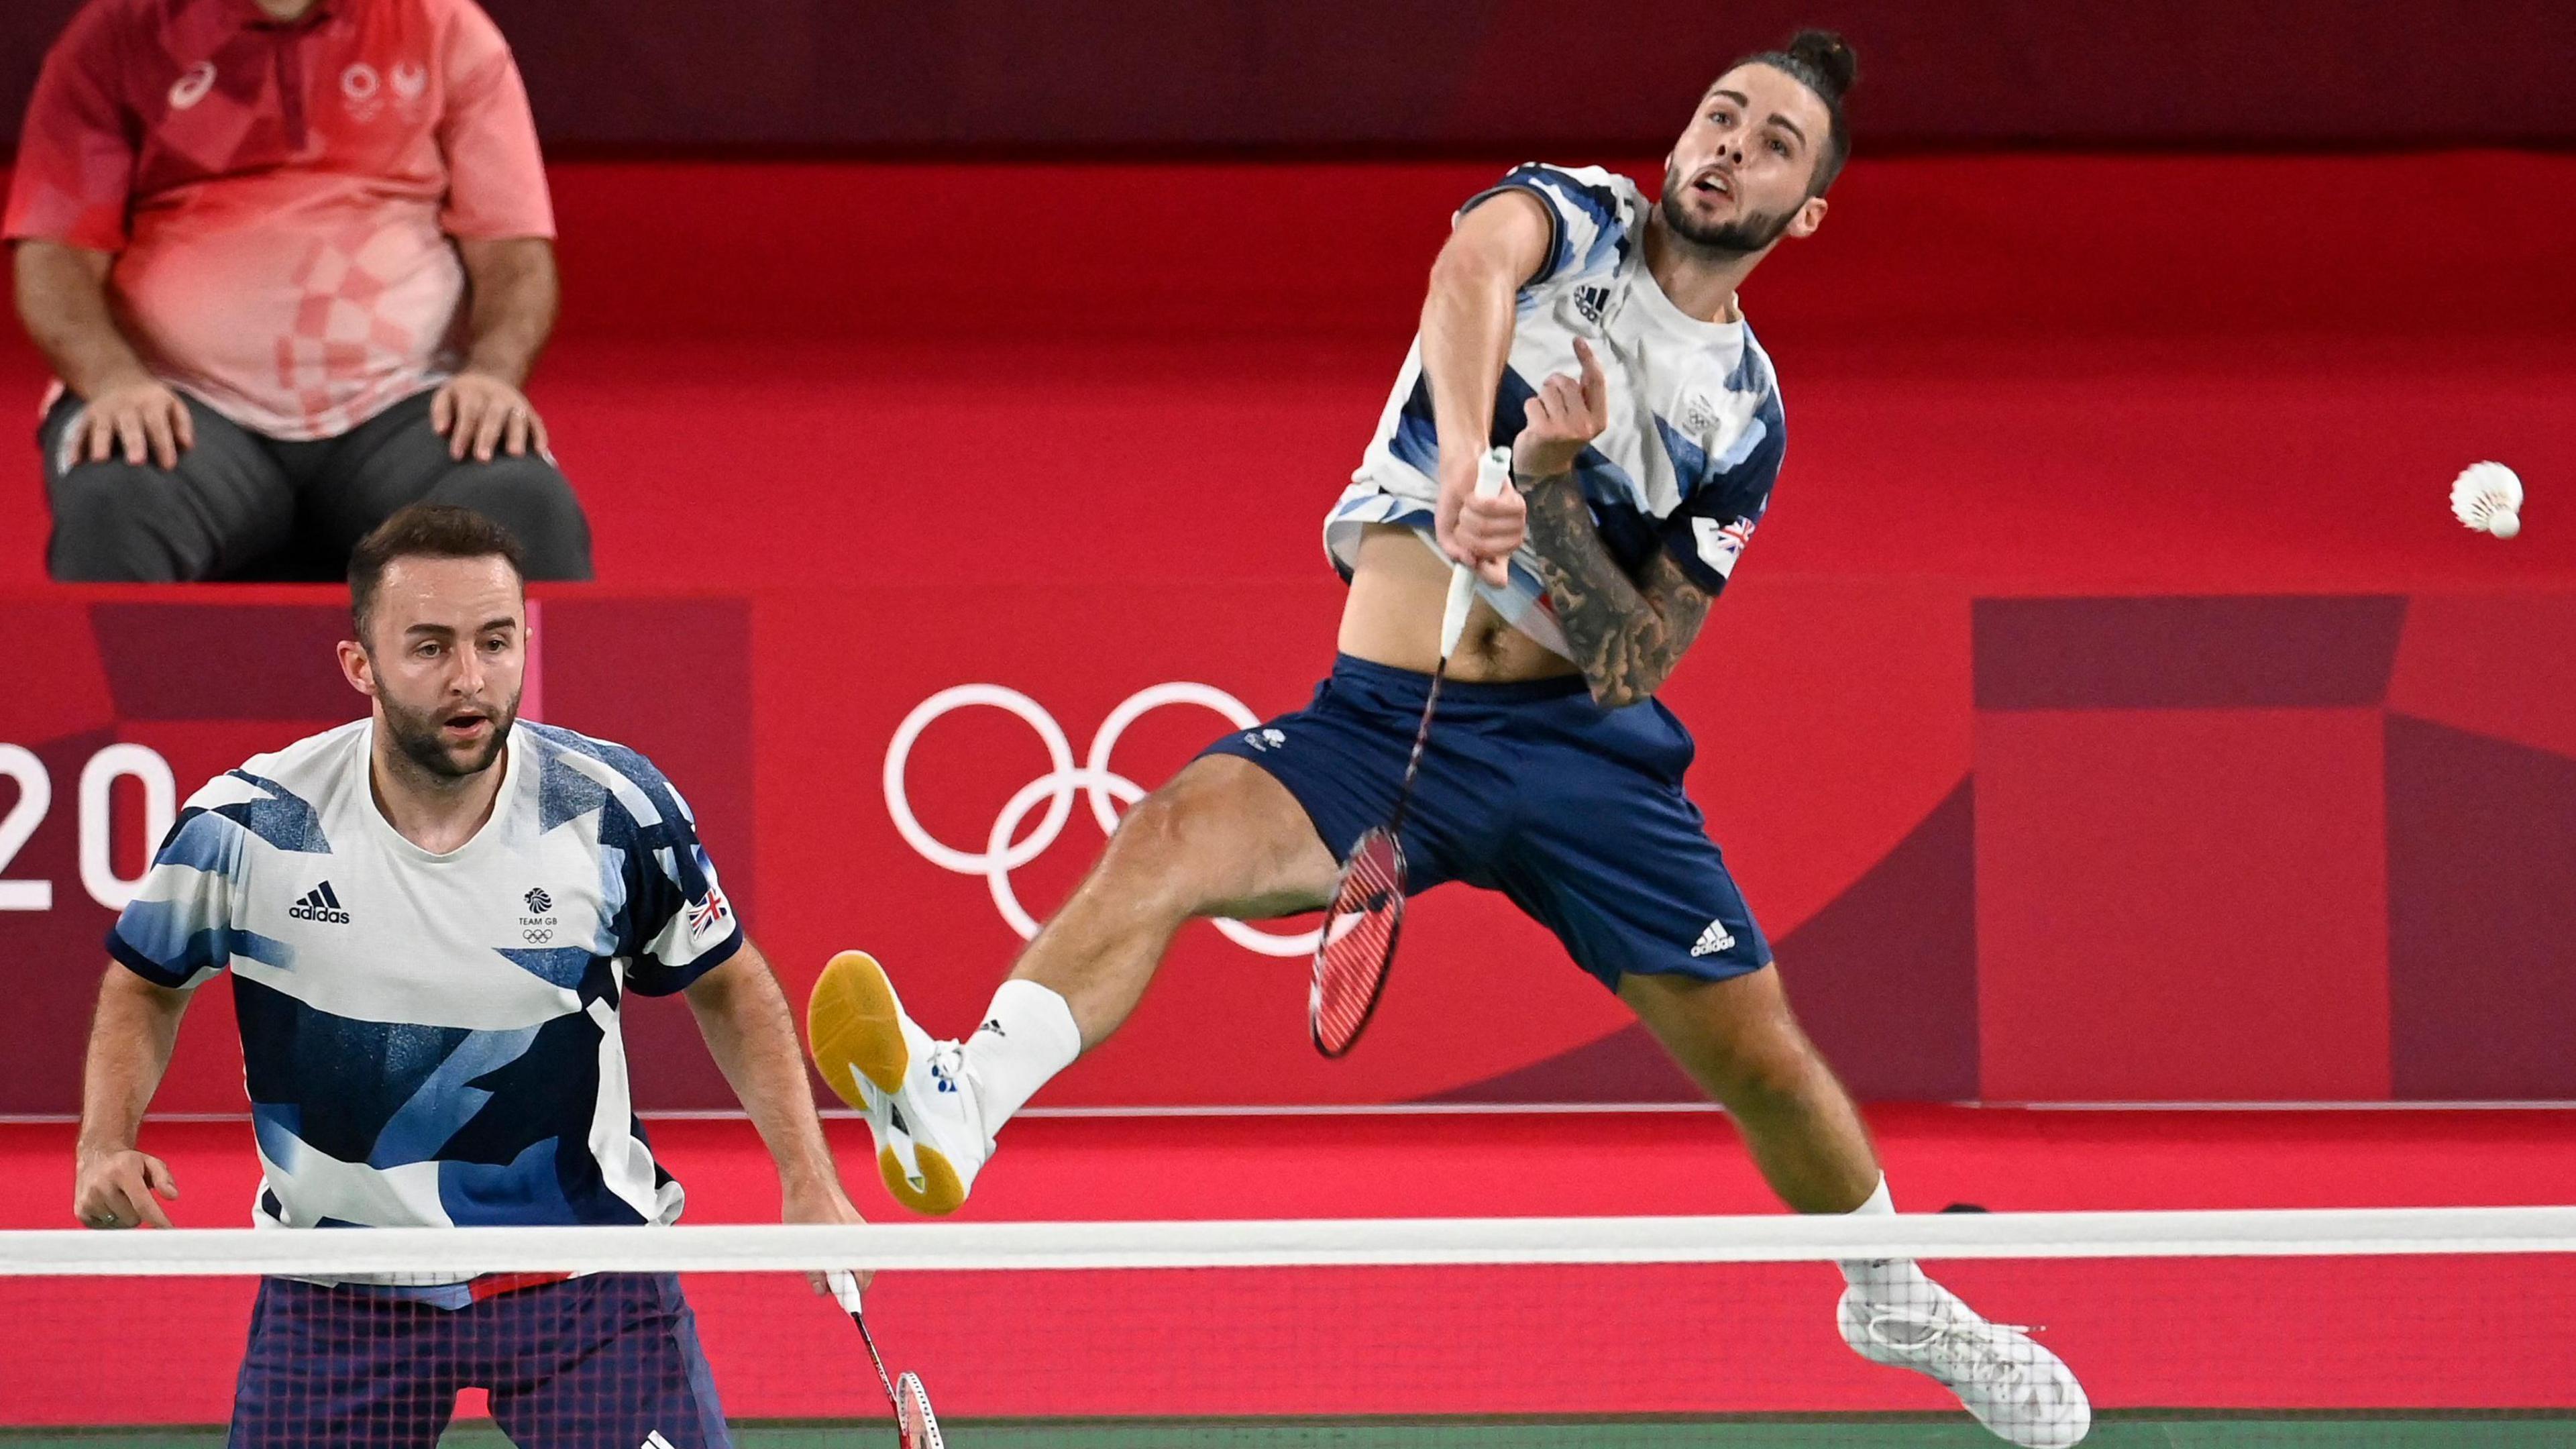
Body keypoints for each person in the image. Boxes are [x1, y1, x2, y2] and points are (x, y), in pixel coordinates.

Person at [814, 31, 2090, 1449]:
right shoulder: (1575, 214)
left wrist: (1543, 494)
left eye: (1774, 143)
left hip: (1574, 758)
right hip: (1385, 715)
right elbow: (1469, 271)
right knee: (1168, 835)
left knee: (1768, 1063)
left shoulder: (1745, 416)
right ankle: (959, 1100)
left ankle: (1891, 1291)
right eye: (1721, 114)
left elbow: (1638, 660)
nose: (1731, 144)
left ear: (1807, 212)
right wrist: (1479, 467)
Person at [71, 505, 853, 1445]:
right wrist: (102, 1143)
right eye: (430, 648)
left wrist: (808, 1177)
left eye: (495, 641)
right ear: (361, 665)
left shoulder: (613, 810)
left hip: (584, 1281)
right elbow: (147, 979)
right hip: (343, 1290)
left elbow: (725, 981)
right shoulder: (253, 825)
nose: (470, 678)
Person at [7, 0, 592, 582]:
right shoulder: (117, 34)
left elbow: (512, 250)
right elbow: (57, 257)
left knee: (522, 505)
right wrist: (113, 380)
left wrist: (492, 375)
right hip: (179, 401)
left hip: (405, 401)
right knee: (113, 503)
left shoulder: (442, 25)